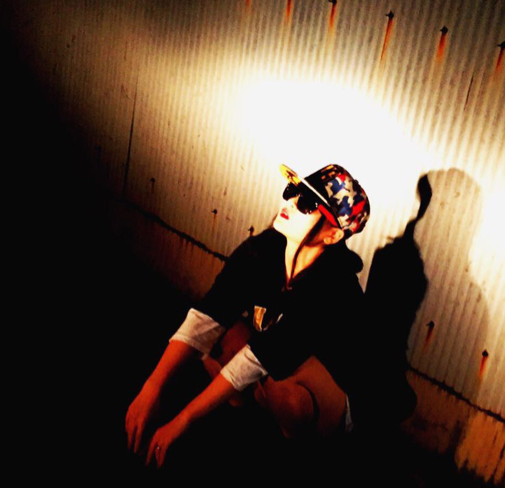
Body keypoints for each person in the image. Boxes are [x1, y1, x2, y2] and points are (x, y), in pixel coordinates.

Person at [125, 163, 371, 468]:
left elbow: (263, 356)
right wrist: (152, 388)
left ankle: (300, 449)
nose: (290, 204)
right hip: (272, 360)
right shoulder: (264, 250)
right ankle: (245, 403)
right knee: (219, 341)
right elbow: (208, 314)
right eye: (293, 191)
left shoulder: (335, 286)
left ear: (332, 235)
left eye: (307, 204)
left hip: (331, 399)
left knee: (284, 394)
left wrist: (182, 421)